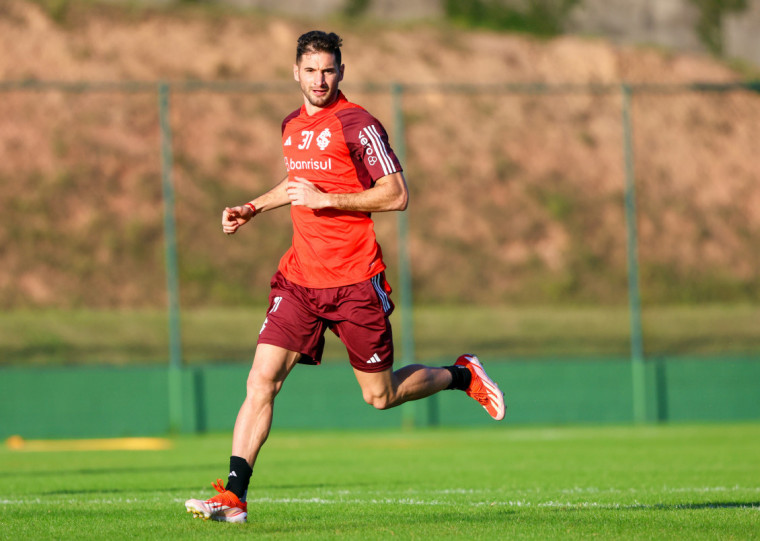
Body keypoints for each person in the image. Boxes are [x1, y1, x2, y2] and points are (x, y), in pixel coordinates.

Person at [185, 30, 506, 524]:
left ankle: (461, 375)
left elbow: (396, 194)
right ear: (295, 72)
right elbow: (298, 184)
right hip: (299, 281)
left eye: (328, 70)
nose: (320, 79)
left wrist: (329, 199)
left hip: (355, 281)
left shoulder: (359, 124)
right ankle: (234, 495)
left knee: (380, 397)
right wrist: (254, 207)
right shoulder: (292, 124)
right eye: (311, 70)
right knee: (261, 380)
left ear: (341, 72)